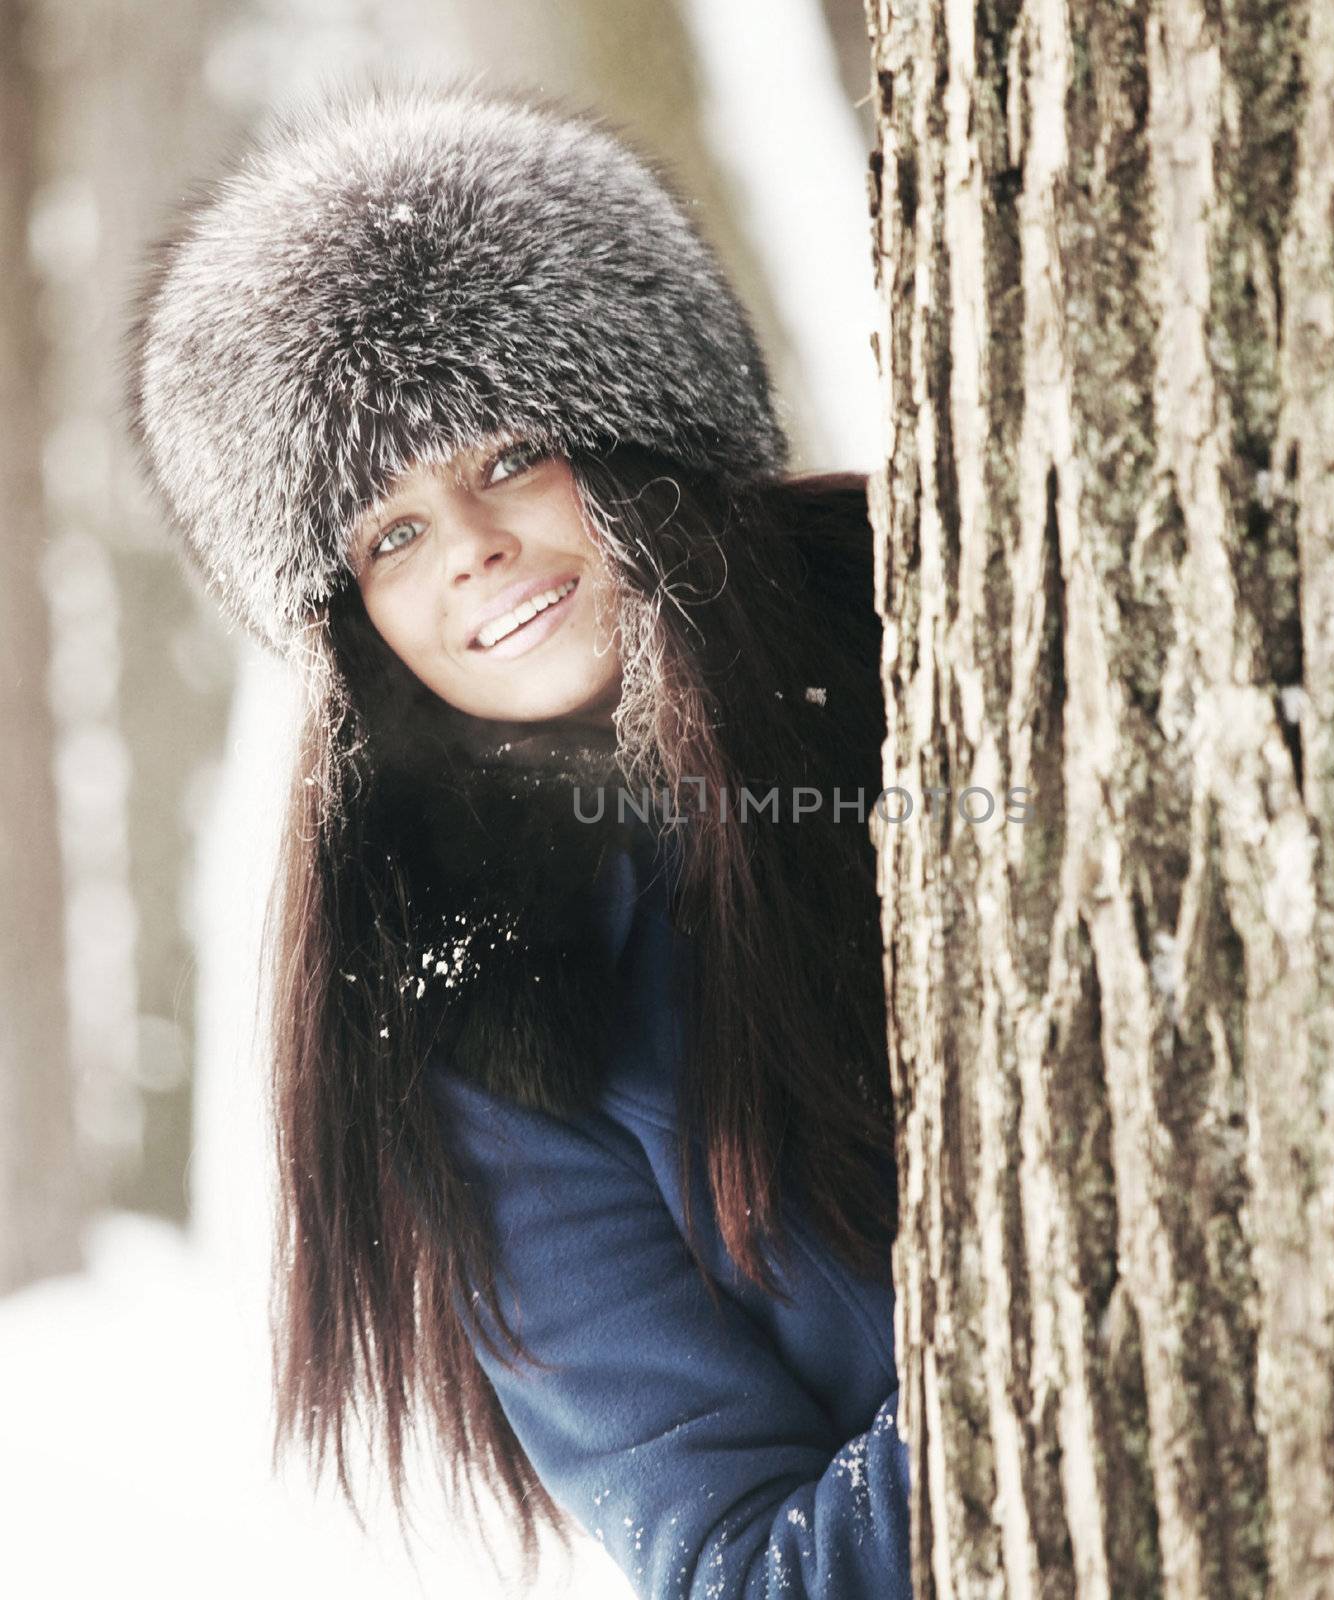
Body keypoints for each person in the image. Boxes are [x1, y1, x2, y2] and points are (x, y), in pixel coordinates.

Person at [122, 73, 910, 1599]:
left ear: (632, 436)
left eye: (506, 456)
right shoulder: (486, 1013)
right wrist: (1068, 1334)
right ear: (352, 624)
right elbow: (744, 1563)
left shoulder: (938, 621)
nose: (473, 552)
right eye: (389, 534)